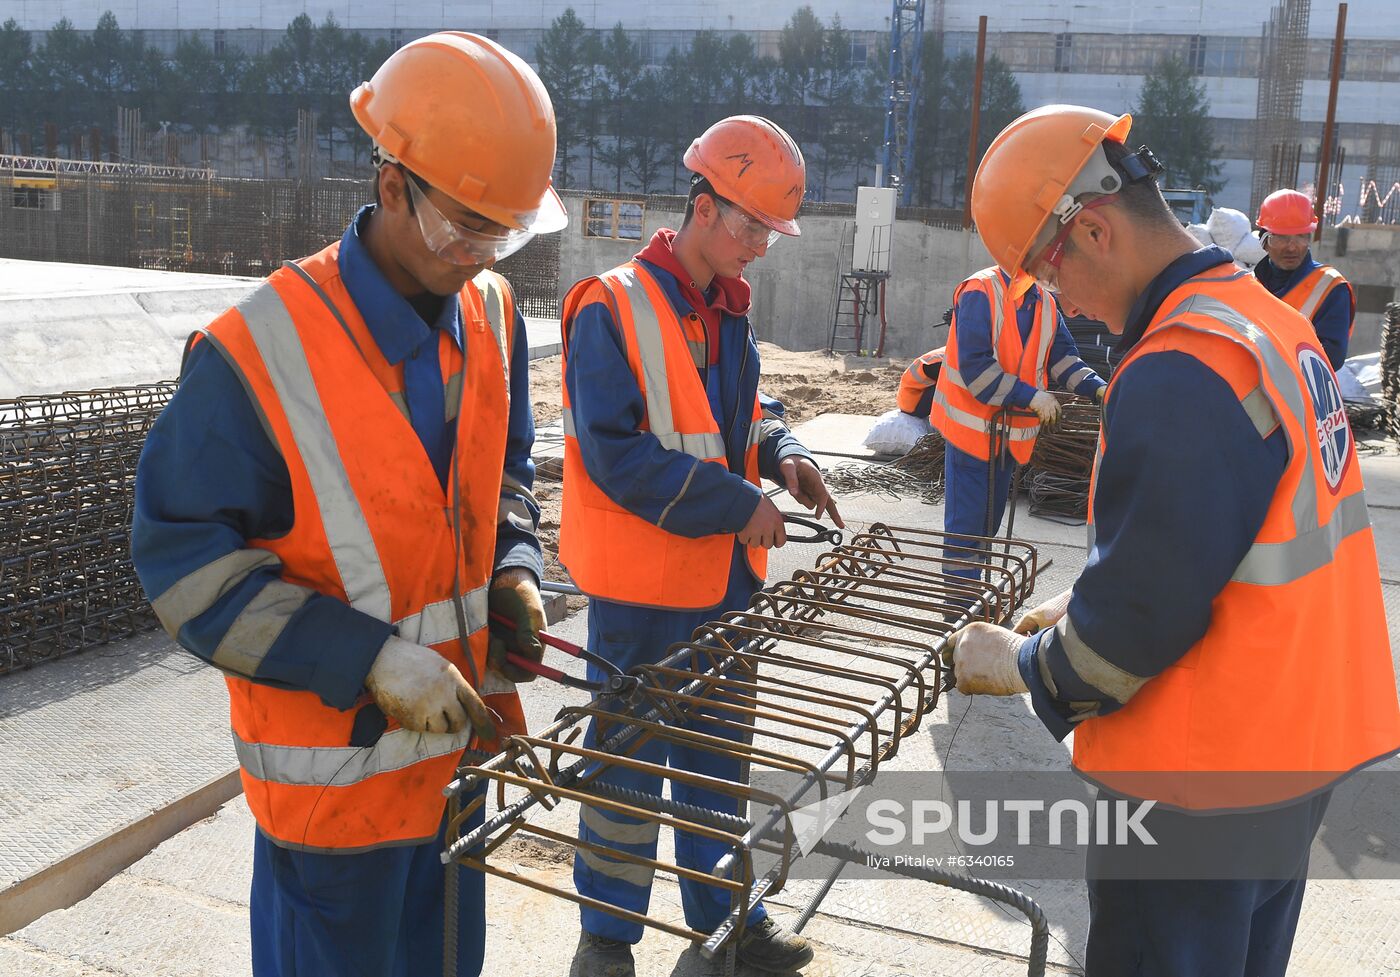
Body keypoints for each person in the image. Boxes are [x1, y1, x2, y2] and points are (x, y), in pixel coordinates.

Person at [130, 33, 564, 977]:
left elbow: (505, 473)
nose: (481, 256)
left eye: (505, 233)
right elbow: (183, 567)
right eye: (465, 227)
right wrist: (363, 657)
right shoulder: (258, 354)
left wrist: (515, 569)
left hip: (454, 774)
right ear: (391, 180)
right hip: (334, 803)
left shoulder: (491, 315)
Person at [946, 104, 1400, 977]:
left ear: (1094, 230)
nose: (1056, 297)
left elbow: (1124, 647)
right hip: (1291, 751)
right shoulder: (1264, 323)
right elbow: (1236, 533)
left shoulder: (1179, 365)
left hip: (1195, 783)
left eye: (1048, 270)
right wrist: (1087, 598)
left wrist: (1018, 663)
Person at [559, 115, 842, 977]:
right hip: (642, 593)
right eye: (749, 224)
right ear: (702, 204)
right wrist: (734, 499)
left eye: (769, 230)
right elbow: (616, 453)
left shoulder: (725, 309)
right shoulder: (609, 306)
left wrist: (780, 452)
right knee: (627, 772)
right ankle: (605, 944)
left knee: (718, 768)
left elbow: (733, 418)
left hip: (724, 587)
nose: (760, 244)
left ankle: (729, 929)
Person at [928, 265, 1106, 585]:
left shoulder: (1044, 303)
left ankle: (975, 591)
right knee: (967, 531)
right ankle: (960, 607)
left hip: (1007, 437)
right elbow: (977, 370)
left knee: (987, 525)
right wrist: (1032, 397)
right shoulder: (980, 291)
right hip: (972, 433)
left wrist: (1098, 388)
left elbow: (1063, 358)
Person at [1253, 188, 1355, 370]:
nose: (1292, 248)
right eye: (1282, 238)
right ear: (1264, 241)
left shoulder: (1331, 287)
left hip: (1300, 396)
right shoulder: (1251, 285)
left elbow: (1332, 357)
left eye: (1301, 237)